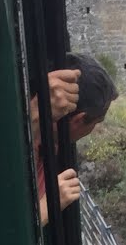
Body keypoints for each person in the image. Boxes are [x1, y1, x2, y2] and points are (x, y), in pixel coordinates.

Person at [34, 53, 118, 226]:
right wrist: (46, 208)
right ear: (79, 120)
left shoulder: (50, 144)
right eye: (96, 122)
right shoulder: (24, 152)